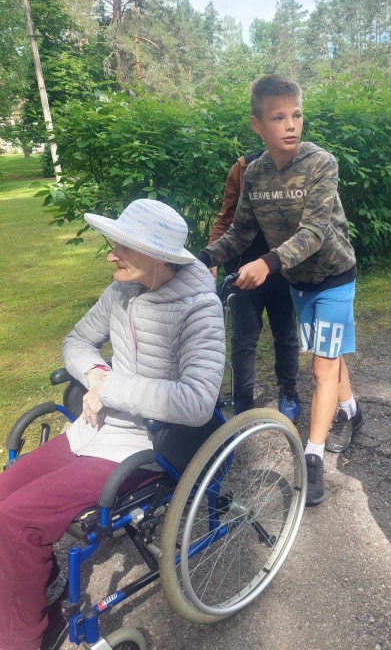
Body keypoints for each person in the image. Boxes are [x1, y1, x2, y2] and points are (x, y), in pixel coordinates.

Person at [0, 198, 225, 650]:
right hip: (94, 428)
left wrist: (111, 388)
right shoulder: (121, 291)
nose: (110, 255)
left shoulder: (199, 309)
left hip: (148, 445)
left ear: (158, 256)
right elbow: (77, 340)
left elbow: (198, 402)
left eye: (122, 246)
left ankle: (22, 638)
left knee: (16, 520)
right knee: (4, 495)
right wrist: (95, 375)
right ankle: (38, 587)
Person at [197, 75, 364, 507]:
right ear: (257, 125)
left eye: (297, 115)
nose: (291, 125)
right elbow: (240, 232)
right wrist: (204, 257)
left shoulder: (321, 163)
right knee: (329, 351)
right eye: (278, 117)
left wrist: (267, 263)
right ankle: (352, 410)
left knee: (322, 367)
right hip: (297, 283)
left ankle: (313, 456)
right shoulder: (253, 173)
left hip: (333, 276)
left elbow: (314, 231)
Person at [208, 150, 300, 419]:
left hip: (283, 267)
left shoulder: (300, 165)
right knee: (243, 338)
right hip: (243, 268)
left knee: (286, 334)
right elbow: (226, 217)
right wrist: (212, 255)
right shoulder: (242, 167)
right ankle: (242, 399)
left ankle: (288, 391)